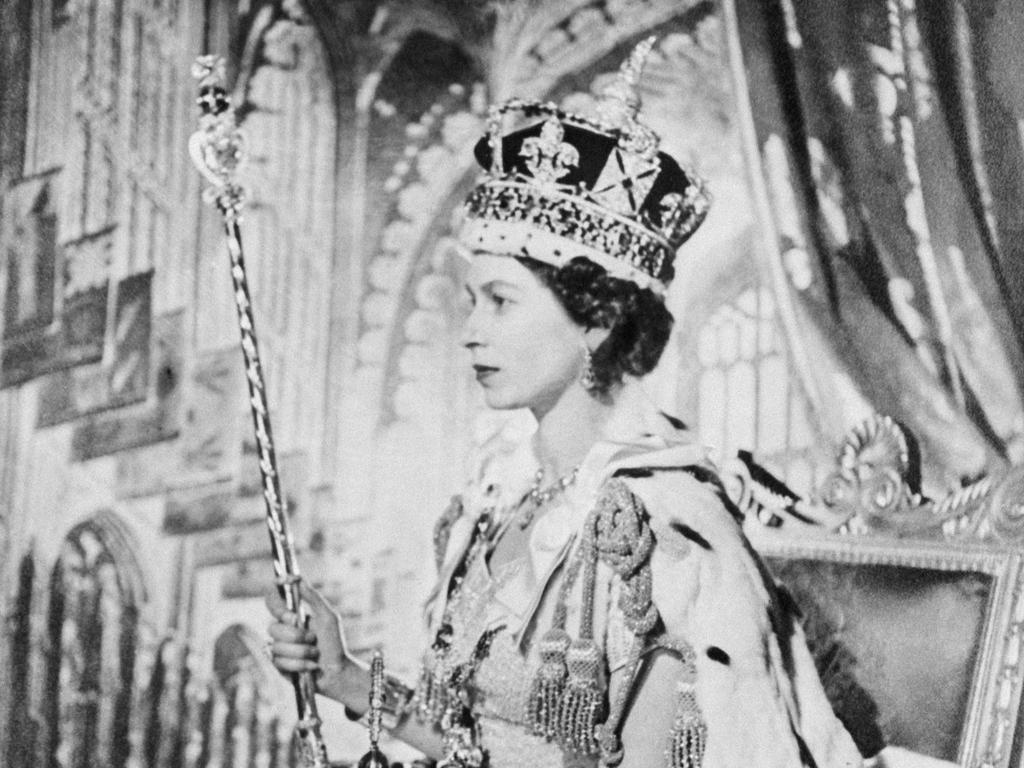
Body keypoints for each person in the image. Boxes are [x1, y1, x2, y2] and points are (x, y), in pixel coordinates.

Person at [267, 37, 862, 768]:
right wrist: (346, 678)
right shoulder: (502, 503)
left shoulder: (669, 540)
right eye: (470, 301)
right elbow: (478, 744)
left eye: (501, 302)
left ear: (598, 319)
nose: (473, 331)